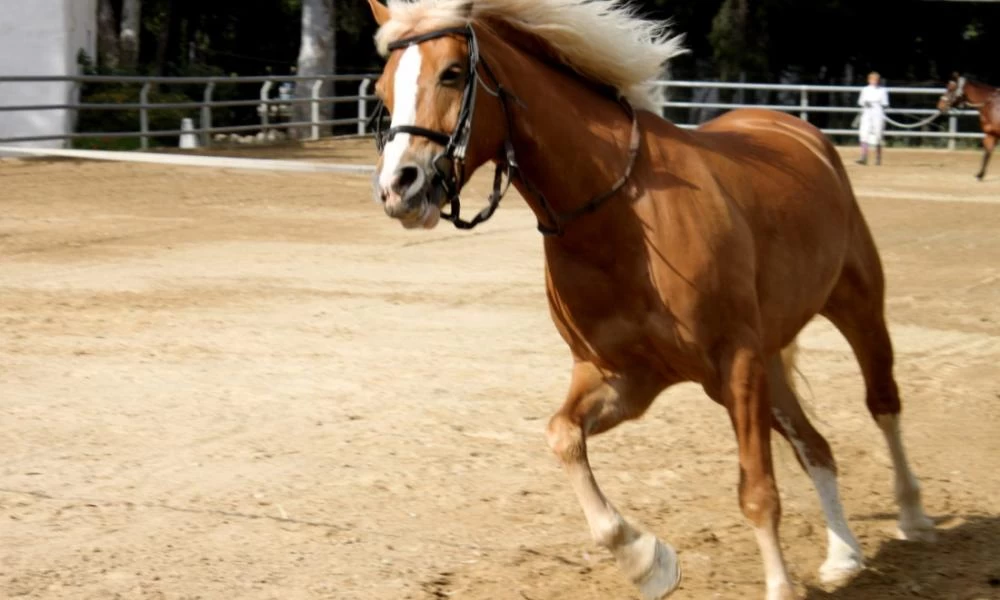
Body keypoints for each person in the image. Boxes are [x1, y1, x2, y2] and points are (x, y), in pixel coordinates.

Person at [856, 71, 890, 165]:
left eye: (876, 79)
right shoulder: (865, 90)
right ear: (869, 80)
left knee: (878, 134)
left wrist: (877, 105)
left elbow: (885, 103)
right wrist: (866, 103)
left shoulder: (882, 90)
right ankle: (864, 156)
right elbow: (860, 102)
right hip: (867, 113)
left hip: (878, 113)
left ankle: (878, 158)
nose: (874, 81)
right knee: (864, 133)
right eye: (873, 79)